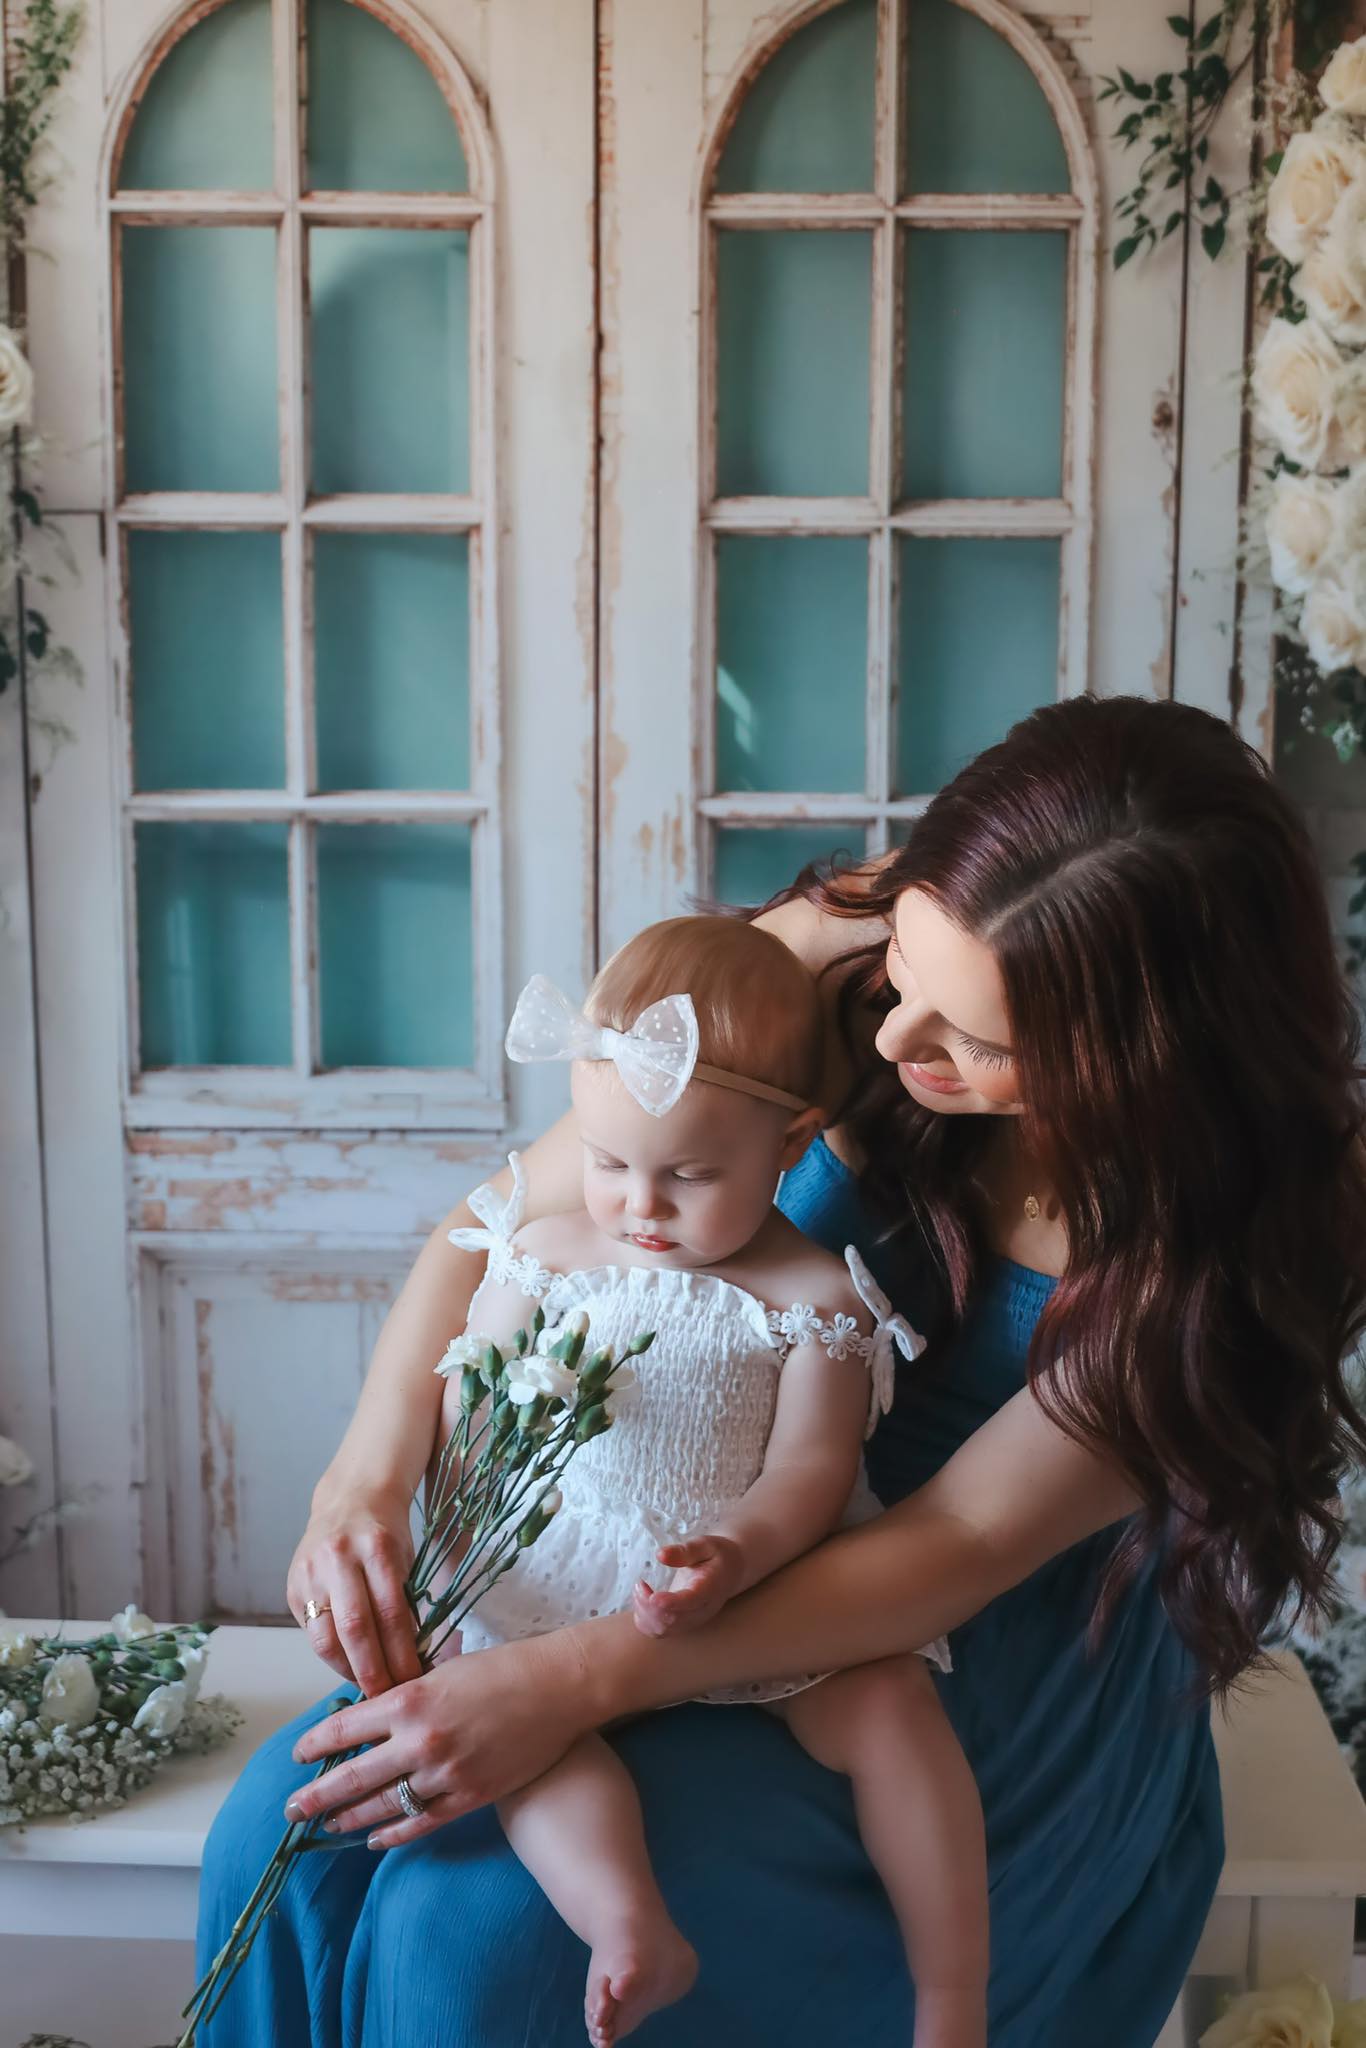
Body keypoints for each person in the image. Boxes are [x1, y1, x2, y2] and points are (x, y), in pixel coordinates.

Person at [197, 696, 1366, 2047]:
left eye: (971, 1041)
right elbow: (498, 1220)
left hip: (929, 1652)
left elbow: (950, 1547)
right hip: (643, 1546)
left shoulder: (1242, 1233)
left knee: (471, 1937)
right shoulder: (816, 970)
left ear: (1147, 1062)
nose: (886, 1044)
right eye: (905, 971)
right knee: (277, 1837)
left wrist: (574, 1681)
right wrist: (365, 1477)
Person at [428, 921, 981, 2048]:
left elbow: (811, 1469)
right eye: (608, 1159)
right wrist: (448, 1542)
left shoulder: (814, 1293)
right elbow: (466, 1407)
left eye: (688, 1173)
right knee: (520, 1730)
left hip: (757, 1588)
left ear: (792, 1143)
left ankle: (951, 1996)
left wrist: (731, 1552)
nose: (640, 1204)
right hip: (559, 1570)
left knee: (891, 1707)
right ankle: (629, 1924)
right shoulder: (541, 1253)